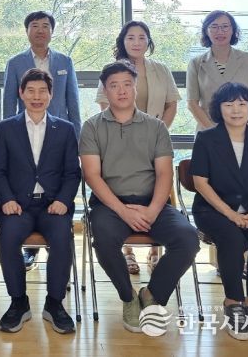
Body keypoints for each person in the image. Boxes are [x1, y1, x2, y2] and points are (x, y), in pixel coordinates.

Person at [79, 60, 198, 334]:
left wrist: (153, 210)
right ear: (105, 91)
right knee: (104, 239)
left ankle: (152, 293)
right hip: (110, 205)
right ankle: (128, 297)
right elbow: (92, 176)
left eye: (127, 84)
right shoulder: (92, 127)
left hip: (152, 202)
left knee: (188, 239)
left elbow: (164, 174)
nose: (121, 91)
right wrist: (123, 211)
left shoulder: (156, 127)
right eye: (114, 86)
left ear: (135, 88)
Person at [0, 68, 81, 334]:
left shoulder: (65, 129)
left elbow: (72, 173)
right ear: (21, 93)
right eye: (30, 91)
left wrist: (63, 200)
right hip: (18, 205)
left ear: (51, 95)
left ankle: (55, 303)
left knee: (62, 238)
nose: (36, 96)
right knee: (8, 237)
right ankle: (18, 302)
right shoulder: (7, 127)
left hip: (53, 205)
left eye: (42, 91)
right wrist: (6, 199)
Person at [190, 83, 248, 343]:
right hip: (213, 210)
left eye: (242, 104)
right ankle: (232, 303)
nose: (236, 110)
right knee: (232, 238)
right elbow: (200, 183)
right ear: (218, 109)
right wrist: (231, 214)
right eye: (228, 105)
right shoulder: (206, 139)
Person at [96, 21, 181, 274]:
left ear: (148, 41)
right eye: (130, 37)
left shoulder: (160, 69)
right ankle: (127, 251)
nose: (136, 42)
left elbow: (172, 104)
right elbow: (104, 103)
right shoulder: (112, 70)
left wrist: (156, 131)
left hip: (154, 140)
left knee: (160, 185)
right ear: (123, 42)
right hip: (119, 140)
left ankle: (156, 251)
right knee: (123, 188)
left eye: (141, 37)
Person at [3, 10, 80, 269]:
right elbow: (8, 103)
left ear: (52, 31)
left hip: (58, 137)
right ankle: (31, 250)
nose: (40, 30)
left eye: (45, 26)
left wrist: (77, 138)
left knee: (53, 189)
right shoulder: (15, 62)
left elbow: (72, 102)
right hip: (25, 134)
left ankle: (51, 254)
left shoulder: (65, 61)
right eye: (34, 26)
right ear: (27, 31)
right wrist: (9, 138)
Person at [186, 10, 248, 133]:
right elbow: (192, 103)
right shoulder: (196, 63)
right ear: (206, 31)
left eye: (225, 26)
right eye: (214, 27)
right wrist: (215, 132)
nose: (220, 31)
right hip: (209, 130)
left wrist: (238, 127)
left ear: (233, 30)